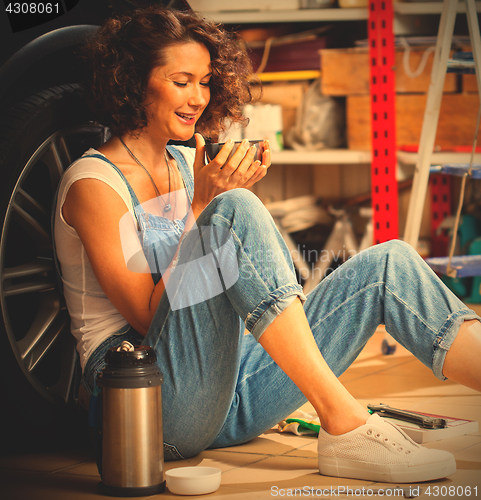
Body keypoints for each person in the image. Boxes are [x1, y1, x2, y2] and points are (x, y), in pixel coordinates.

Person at [53, 5, 481, 484]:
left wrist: (224, 202)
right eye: (181, 81)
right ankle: (346, 424)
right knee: (234, 209)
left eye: (205, 81)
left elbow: (232, 288)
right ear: (132, 81)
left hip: (228, 389)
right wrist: (206, 210)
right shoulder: (94, 184)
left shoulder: (186, 161)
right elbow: (149, 319)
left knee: (390, 264)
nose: (198, 97)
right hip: (149, 407)